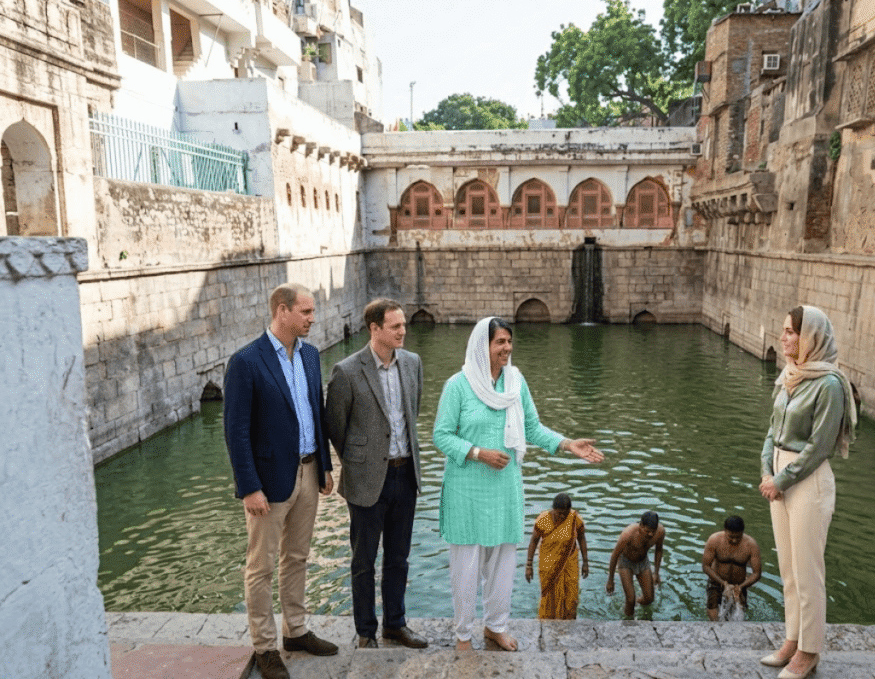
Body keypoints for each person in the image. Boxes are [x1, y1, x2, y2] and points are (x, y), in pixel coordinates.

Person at [433, 316, 604, 652]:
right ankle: (463, 635)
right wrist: (479, 453)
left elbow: (532, 428)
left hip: (504, 489)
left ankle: (495, 627)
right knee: (466, 568)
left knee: (501, 564)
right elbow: (441, 435)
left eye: (509, 341)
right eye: (500, 342)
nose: (507, 348)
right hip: (467, 490)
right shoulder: (458, 385)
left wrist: (568, 444)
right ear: (483, 347)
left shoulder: (515, 382)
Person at [223, 283, 339, 679]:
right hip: (268, 481)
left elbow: (316, 411)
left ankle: (297, 630)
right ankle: (265, 646)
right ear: (282, 311)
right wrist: (249, 486)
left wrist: (324, 465)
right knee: (261, 566)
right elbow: (236, 430)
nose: (311, 318)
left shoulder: (309, 355)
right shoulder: (246, 361)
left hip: (308, 471)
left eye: (311, 312)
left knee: (298, 557)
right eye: (305, 312)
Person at [758, 305, 857, 679]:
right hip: (780, 474)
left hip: (808, 480)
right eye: (783, 331)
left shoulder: (829, 384)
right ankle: (792, 639)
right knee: (788, 567)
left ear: (810, 337)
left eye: (790, 332)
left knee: (808, 569)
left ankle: (809, 651)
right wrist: (767, 469)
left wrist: (780, 480)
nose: (783, 338)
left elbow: (820, 446)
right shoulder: (791, 374)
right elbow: (772, 428)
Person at [325, 298, 427, 650]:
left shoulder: (412, 363)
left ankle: (395, 625)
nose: (403, 331)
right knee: (363, 561)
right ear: (374, 329)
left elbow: (412, 414)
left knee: (399, 558)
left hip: (405, 475)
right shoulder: (348, 371)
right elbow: (336, 427)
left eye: (403, 325)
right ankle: (366, 631)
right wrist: (361, 462)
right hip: (367, 480)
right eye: (395, 326)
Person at [525, 493, 589, 620]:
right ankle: (547, 624)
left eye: (565, 514)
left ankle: (568, 624)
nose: (562, 516)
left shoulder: (575, 519)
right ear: (553, 509)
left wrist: (585, 562)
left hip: (569, 563)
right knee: (550, 598)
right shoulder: (543, 519)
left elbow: (582, 538)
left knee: (571, 598)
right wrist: (529, 565)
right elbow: (533, 541)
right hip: (548, 565)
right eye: (559, 513)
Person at [606, 511, 665, 618]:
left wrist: (656, 573)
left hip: (643, 561)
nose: (650, 534)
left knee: (649, 598)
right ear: (640, 526)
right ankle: (628, 623)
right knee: (630, 599)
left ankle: (635, 604)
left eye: (653, 531)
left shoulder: (660, 532)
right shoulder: (628, 534)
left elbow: (659, 550)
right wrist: (610, 579)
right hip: (625, 562)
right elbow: (614, 555)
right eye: (647, 531)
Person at [702, 515, 762, 621]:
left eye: (738, 537)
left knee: (738, 618)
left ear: (742, 532)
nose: (734, 540)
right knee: (715, 619)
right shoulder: (714, 540)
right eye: (730, 537)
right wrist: (723, 583)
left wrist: (741, 587)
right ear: (725, 531)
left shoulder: (751, 545)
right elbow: (706, 566)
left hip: (739, 585)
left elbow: (756, 573)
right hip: (716, 582)